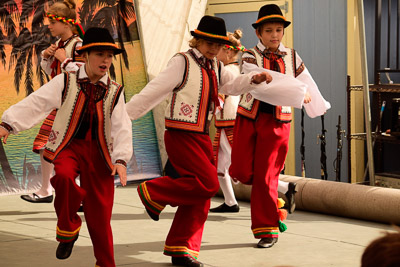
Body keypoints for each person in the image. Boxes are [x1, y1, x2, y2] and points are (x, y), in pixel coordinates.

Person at [126, 15, 275, 267]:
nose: (213, 47)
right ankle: (152, 192)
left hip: (202, 135)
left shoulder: (215, 66)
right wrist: (122, 117)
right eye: (208, 42)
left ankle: (181, 248)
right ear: (197, 39)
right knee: (207, 184)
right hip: (180, 134)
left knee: (201, 196)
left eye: (218, 44)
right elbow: (153, 92)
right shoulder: (181, 62)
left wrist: (252, 79)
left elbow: (232, 86)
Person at [0, 27, 132, 266]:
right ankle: (68, 229)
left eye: (110, 56)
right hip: (68, 147)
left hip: (101, 153)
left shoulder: (115, 91)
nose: (106, 60)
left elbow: (122, 126)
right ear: (85, 55)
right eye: (100, 54)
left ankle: (105, 263)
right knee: (63, 178)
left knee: (100, 217)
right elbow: (36, 102)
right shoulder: (66, 81)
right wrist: (8, 124)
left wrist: (121, 160)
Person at [229, 4, 330, 249]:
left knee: (265, 177)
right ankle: (275, 191)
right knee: (240, 172)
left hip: (277, 122)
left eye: (278, 30)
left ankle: (268, 230)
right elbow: (261, 86)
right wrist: (297, 92)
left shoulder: (292, 56)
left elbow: (307, 81)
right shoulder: (251, 56)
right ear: (259, 33)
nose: (274, 35)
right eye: (269, 31)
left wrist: (315, 102)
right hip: (248, 117)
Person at [208, 31, 298, 214]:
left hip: (231, 120)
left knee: (241, 166)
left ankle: (283, 187)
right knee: (221, 165)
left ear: (227, 51)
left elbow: (225, 95)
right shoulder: (237, 67)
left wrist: (211, 110)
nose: (215, 52)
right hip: (226, 120)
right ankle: (231, 200)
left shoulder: (227, 70)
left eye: (218, 48)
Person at [21, 0, 85, 203]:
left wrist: (65, 59)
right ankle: (45, 190)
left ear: (66, 24)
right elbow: (52, 73)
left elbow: (85, 76)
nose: (49, 26)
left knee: (82, 150)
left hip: (77, 105)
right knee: (43, 144)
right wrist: (47, 57)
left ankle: (83, 195)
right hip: (60, 104)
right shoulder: (60, 45)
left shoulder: (79, 45)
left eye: (53, 22)